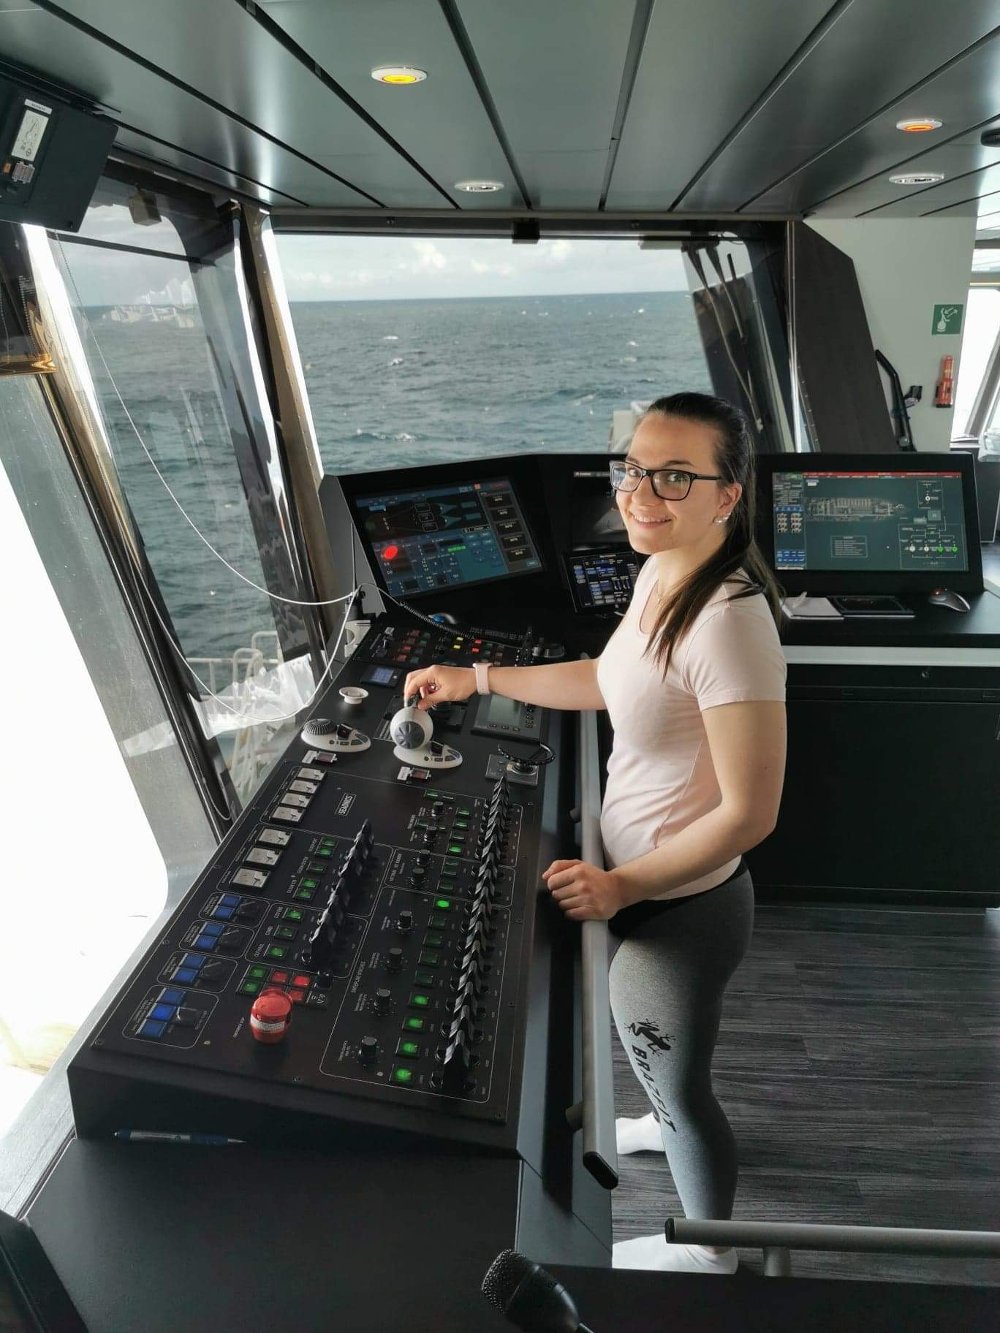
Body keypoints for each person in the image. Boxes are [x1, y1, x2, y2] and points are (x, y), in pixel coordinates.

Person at [403, 392, 787, 1275]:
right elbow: (610, 679)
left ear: (727, 495)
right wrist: (478, 677)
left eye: (674, 476)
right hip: (647, 885)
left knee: (686, 1092)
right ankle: (656, 1114)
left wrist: (621, 887)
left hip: (679, 908)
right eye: (633, 470)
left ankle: (714, 1251)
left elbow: (751, 813)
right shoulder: (665, 572)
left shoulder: (729, 624)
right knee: (666, 1071)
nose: (640, 494)